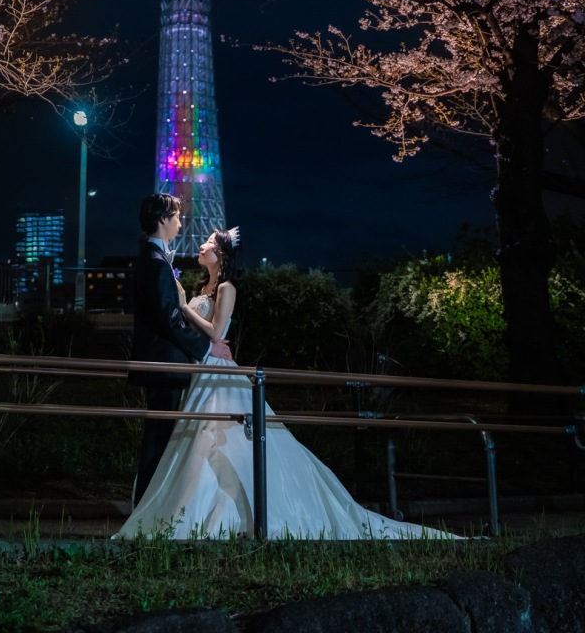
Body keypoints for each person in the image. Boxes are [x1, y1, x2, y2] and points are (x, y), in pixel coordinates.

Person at [118, 227, 459, 540]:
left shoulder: (226, 288)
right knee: (201, 442)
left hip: (216, 368)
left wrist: (183, 308)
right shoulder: (204, 288)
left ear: (220, 255)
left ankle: (234, 512)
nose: (202, 245)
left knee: (222, 440)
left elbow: (218, 334)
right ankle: (201, 507)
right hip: (202, 370)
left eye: (208, 243)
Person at [128, 193, 231, 506]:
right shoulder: (157, 262)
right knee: (160, 439)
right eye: (176, 216)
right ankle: (147, 507)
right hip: (165, 365)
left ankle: (152, 505)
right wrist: (207, 348)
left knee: (162, 438)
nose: (180, 222)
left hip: (164, 363)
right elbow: (169, 319)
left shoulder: (152, 258)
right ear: (162, 219)